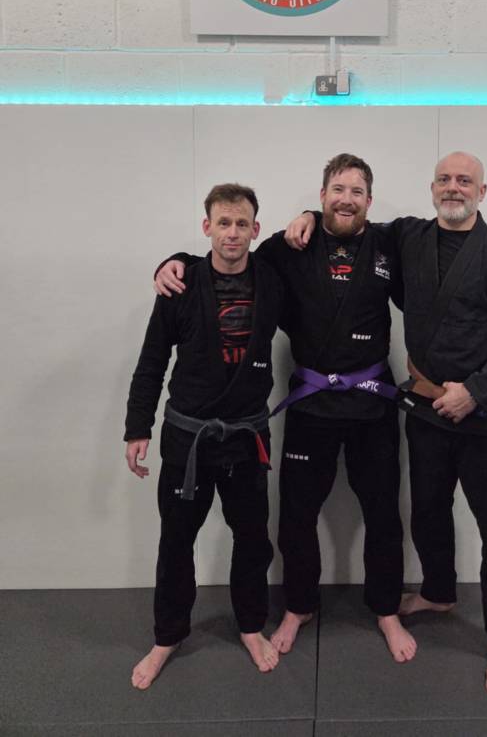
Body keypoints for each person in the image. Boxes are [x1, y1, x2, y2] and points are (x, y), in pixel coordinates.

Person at [284, 151, 487, 695]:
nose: (453, 188)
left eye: (464, 180)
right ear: (431, 188)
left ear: (482, 192)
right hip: (426, 411)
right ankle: (438, 592)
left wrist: (475, 392)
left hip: (483, 414)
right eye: (445, 179)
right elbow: (348, 221)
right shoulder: (407, 237)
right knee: (427, 512)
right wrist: (307, 213)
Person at [154, 155, 417, 663]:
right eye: (337, 189)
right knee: (297, 516)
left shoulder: (389, 245)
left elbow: (429, 292)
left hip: (373, 405)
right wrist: (172, 261)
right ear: (322, 196)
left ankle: (387, 609)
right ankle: (299, 606)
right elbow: (230, 257)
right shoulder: (290, 245)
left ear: (369, 200)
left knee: (384, 512)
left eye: (357, 191)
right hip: (312, 405)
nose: (346, 199)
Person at [125, 183, 283, 688]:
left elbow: (312, 249)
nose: (232, 233)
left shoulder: (273, 281)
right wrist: (137, 427)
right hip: (187, 437)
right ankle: (167, 636)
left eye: (242, 224)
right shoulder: (181, 284)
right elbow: (152, 360)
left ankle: (252, 626)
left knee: (252, 539)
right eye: (223, 223)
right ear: (206, 227)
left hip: (247, 436)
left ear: (255, 230)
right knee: (176, 541)